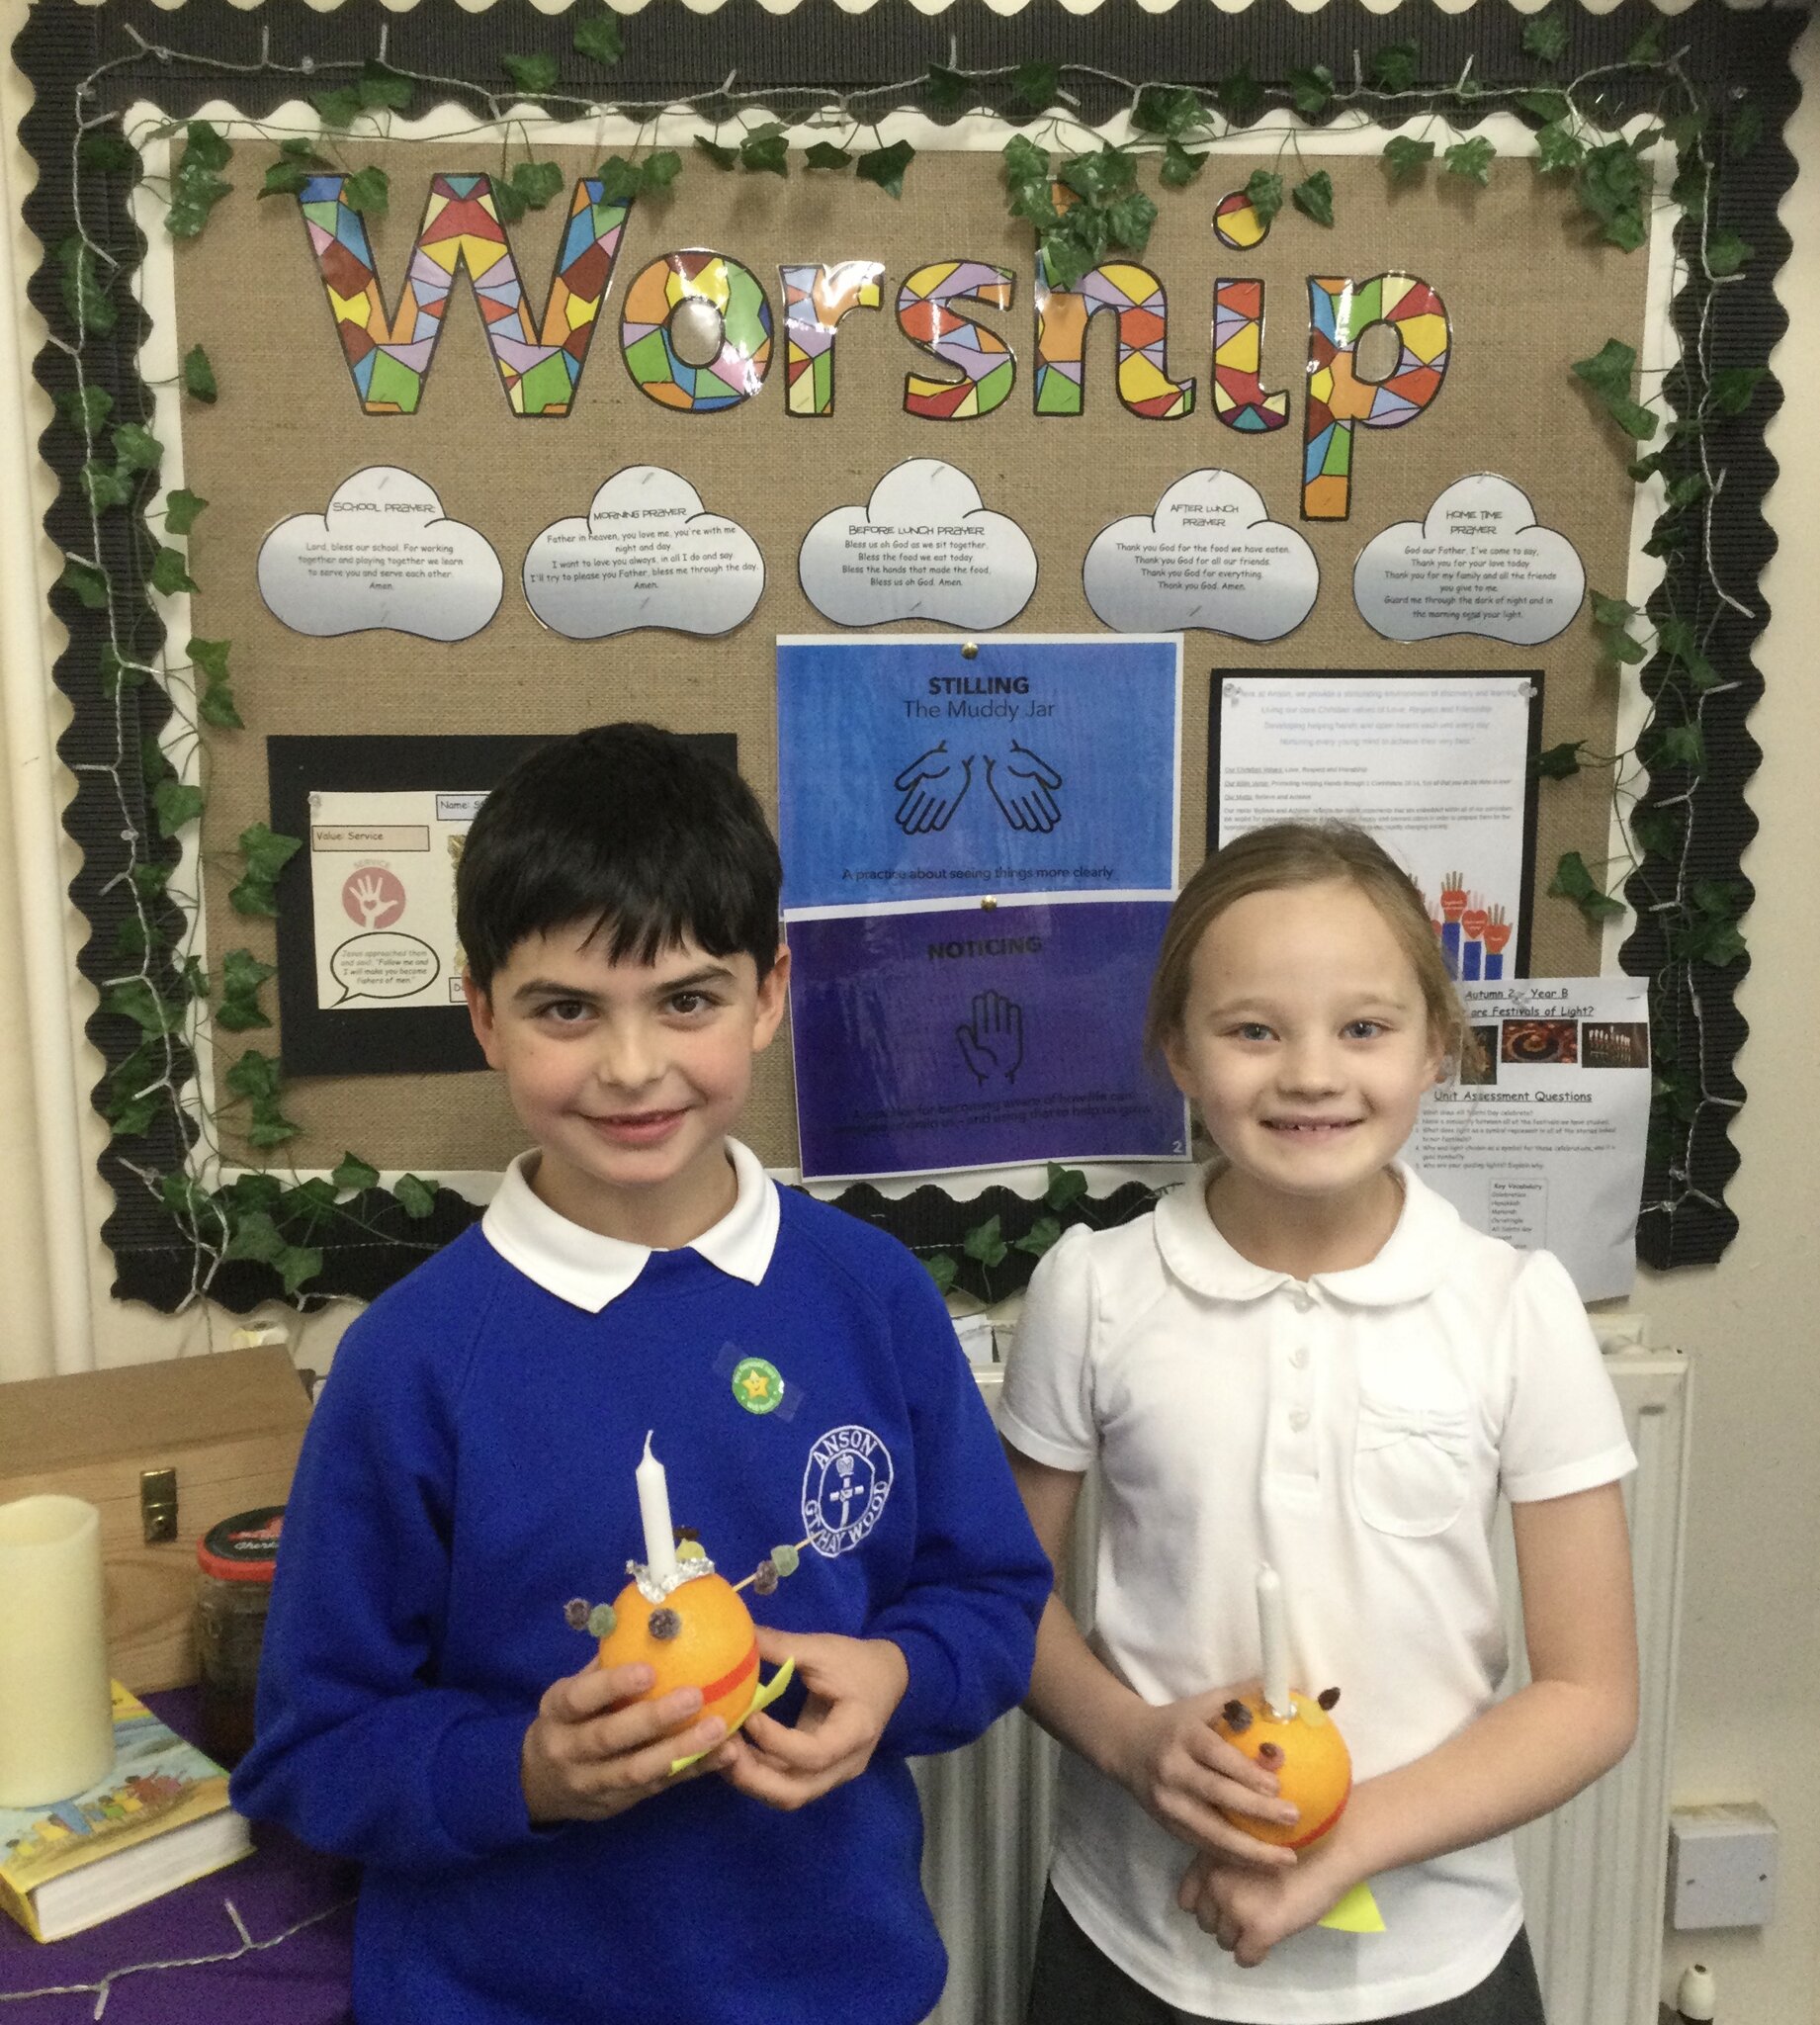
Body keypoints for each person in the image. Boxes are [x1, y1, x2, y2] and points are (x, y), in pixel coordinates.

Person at [231, 724, 1051, 2025]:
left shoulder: (872, 1296)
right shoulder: (410, 1362)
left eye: (685, 1000)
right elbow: (312, 1746)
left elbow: (991, 1598)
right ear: (484, 1014)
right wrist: (526, 1771)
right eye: (567, 1009)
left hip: (831, 1990)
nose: (629, 1066)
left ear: (768, 994)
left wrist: (900, 1675)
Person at [999, 821, 1638, 2025]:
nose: (1307, 1073)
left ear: (1435, 1042)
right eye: (1252, 1029)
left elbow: (1588, 1691)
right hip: (1131, 1940)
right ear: (1176, 1047)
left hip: (1429, 1962)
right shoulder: (1094, 1287)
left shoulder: (1513, 1305)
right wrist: (1133, 1740)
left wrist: (1346, 1843)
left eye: (1362, 1026)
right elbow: (1003, 1593)